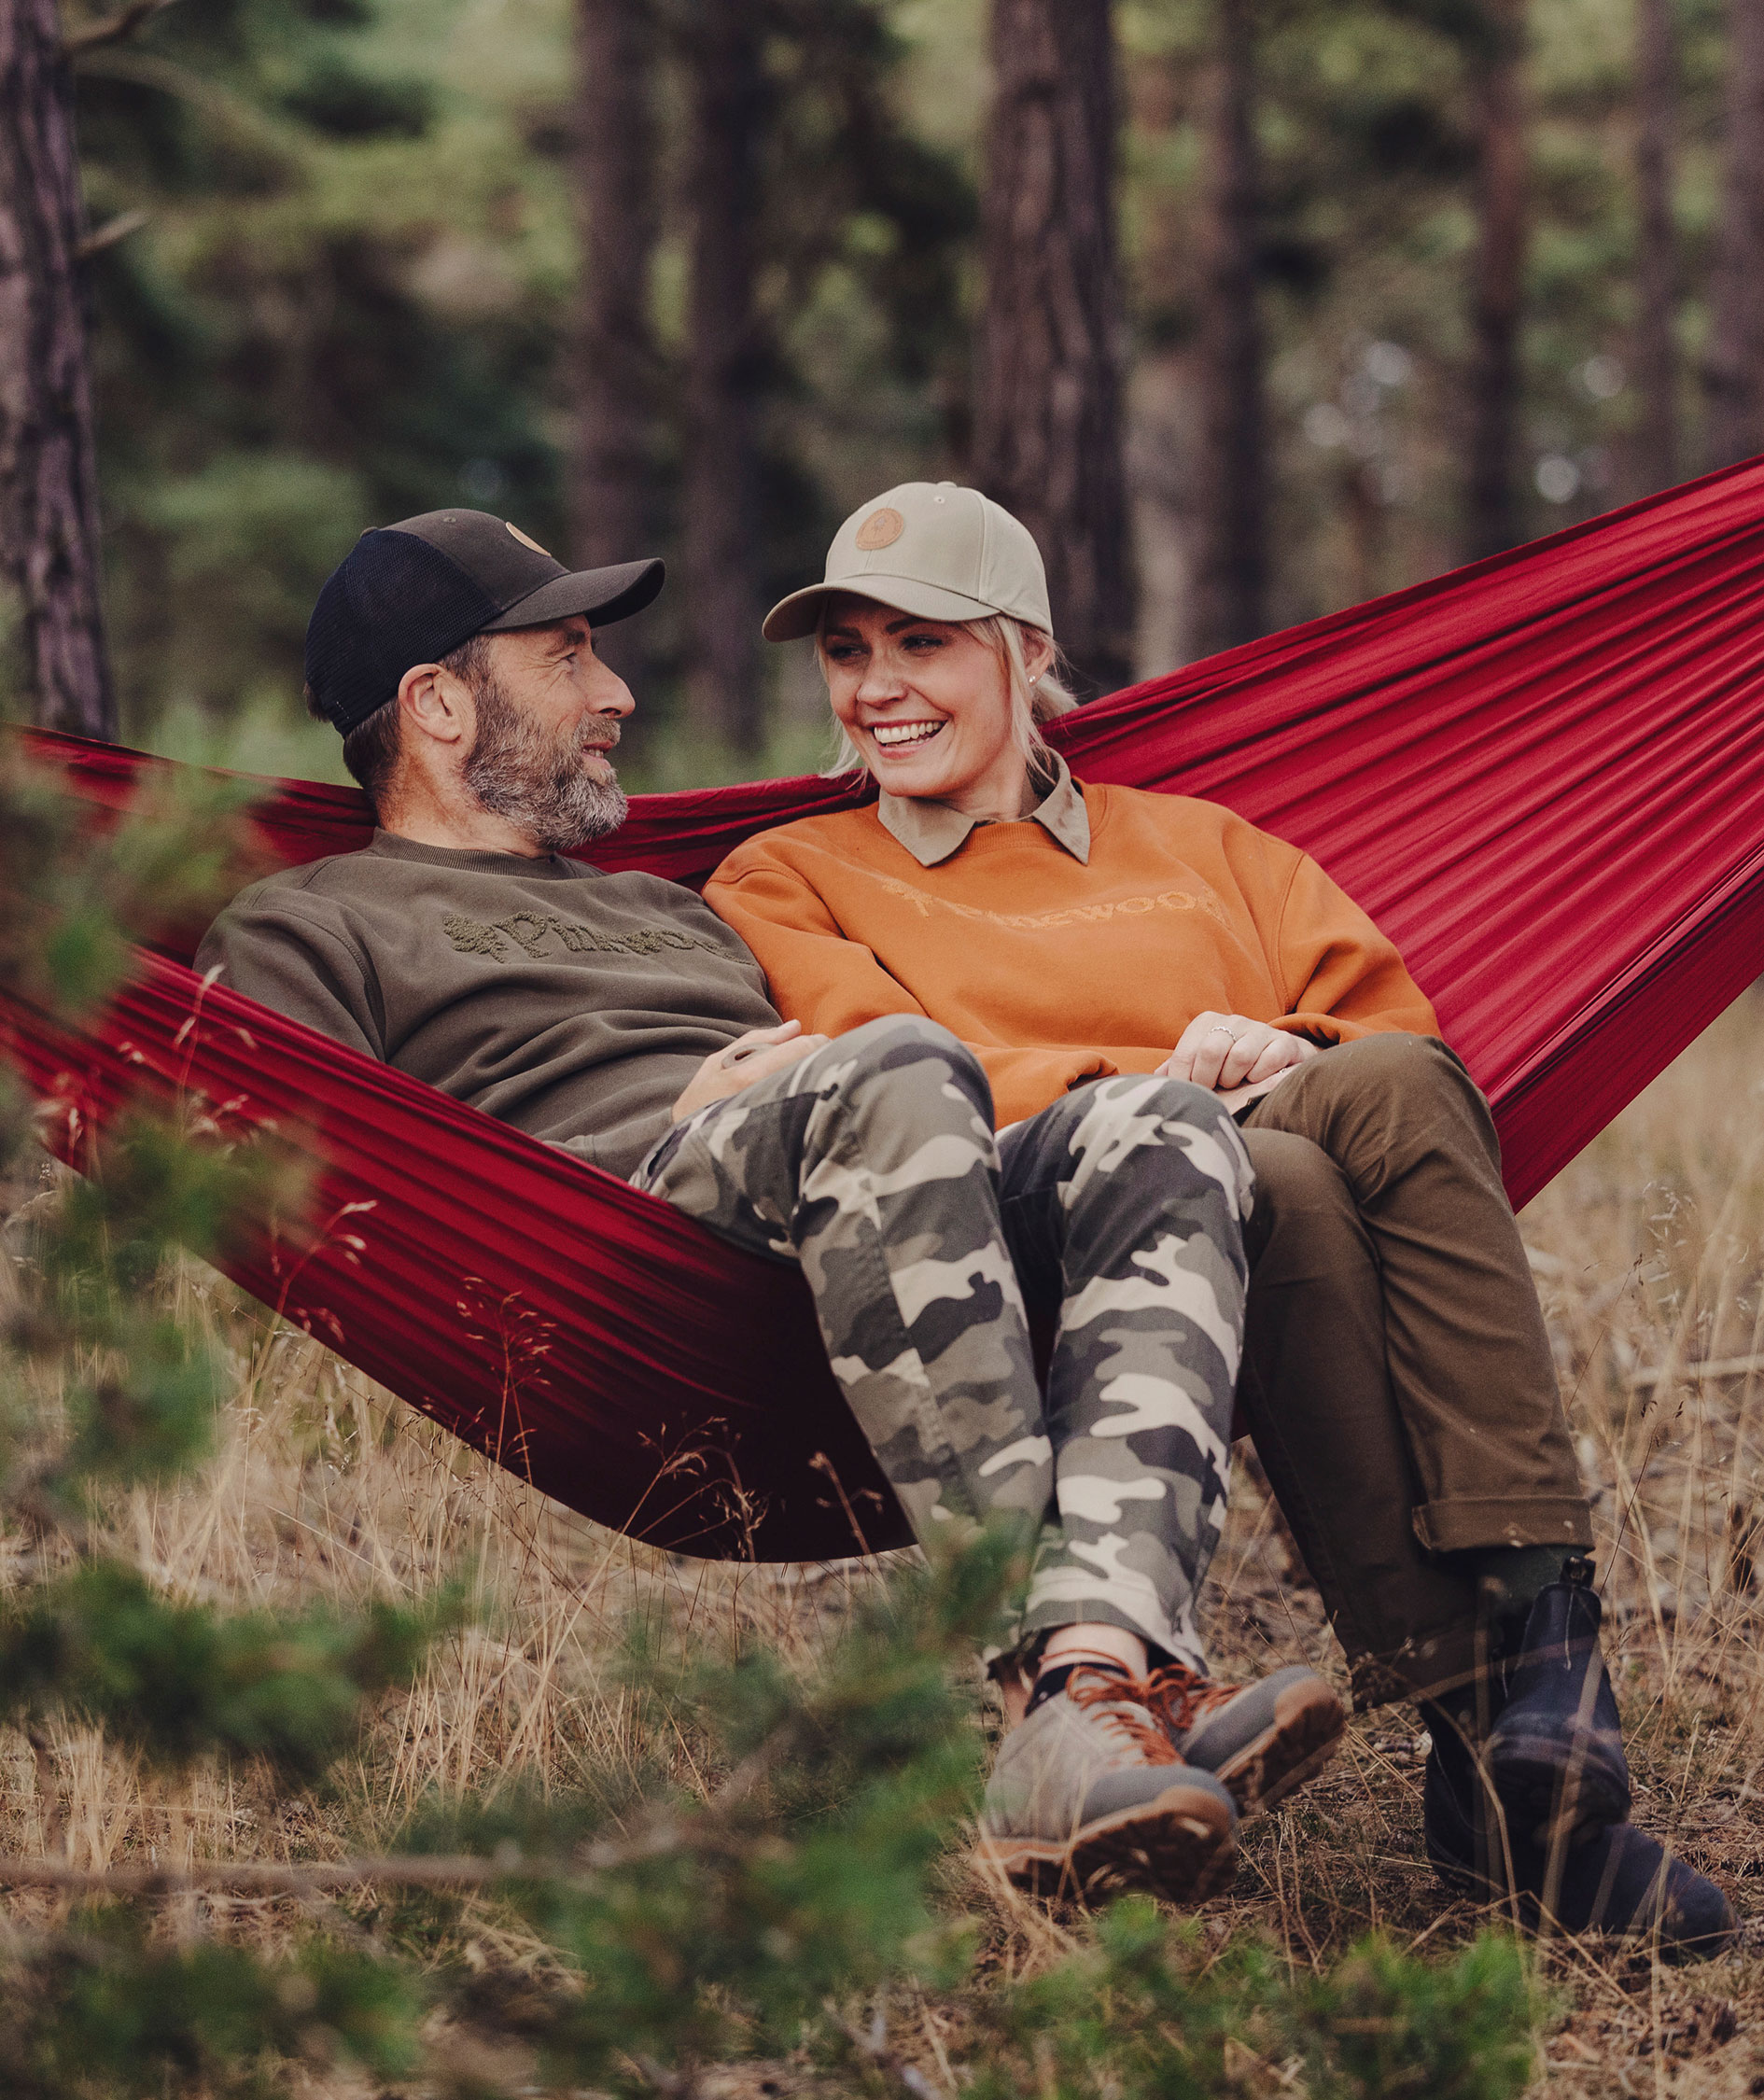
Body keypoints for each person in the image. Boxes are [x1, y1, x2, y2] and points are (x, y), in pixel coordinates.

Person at [194, 508, 1348, 1910]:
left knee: (1157, 1121)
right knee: (899, 1069)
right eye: (567, 659)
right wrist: (699, 1118)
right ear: (439, 703)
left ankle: (1101, 1672)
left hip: (857, 1221)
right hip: (608, 1238)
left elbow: (890, 1063)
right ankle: (1054, 1677)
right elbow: (290, 1183)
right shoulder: (310, 923)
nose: (616, 695)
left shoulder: (672, 909)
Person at [701, 481, 1735, 1956]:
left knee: (1360, 1112)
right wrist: (1160, 1078)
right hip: (1033, 1221)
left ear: (1022, 647)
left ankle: (1524, 1685)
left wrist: (1282, 1050)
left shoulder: (1196, 841)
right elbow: (890, 1085)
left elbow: (1393, 1042)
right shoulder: (788, 874)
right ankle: (1521, 1712)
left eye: (918, 643)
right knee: (1273, 1165)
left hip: (1243, 1164)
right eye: (846, 650)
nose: (875, 688)